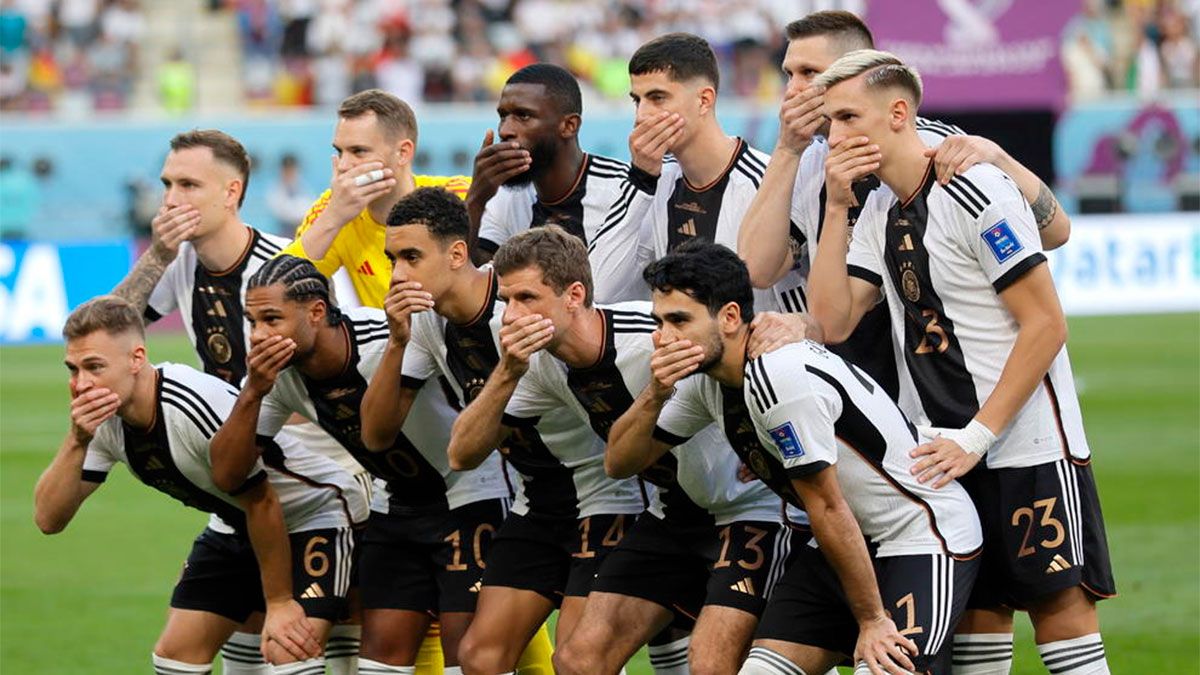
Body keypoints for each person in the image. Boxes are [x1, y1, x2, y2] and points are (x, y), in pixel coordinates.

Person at [807, 50, 1116, 675]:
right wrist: (835, 208)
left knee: (1059, 612)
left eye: (846, 117)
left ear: (898, 114)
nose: (834, 136)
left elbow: (1046, 324)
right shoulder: (874, 207)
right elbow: (831, 322)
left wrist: (979, 435)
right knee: (981, 617)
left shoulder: (972, 187)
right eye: (829, 121)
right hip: (943, 448)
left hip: (1026, 445)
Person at [611, 242, 982, 674]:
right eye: (658, 322)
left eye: (679, 320)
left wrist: (872, 620)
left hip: (918, 535)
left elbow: (826, 503)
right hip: (840, 545)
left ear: (730, 317)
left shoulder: (779, 376)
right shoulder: (707, 382)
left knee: (884, 668)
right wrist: (655, 394)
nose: (663, 337)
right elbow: (620, 462)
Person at [448, 225, 799, 675]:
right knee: (577, 660)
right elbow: (462, 454)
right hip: (671, 512)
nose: (511, 316)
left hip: (750, 512)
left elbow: (751, 356)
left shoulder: (653, 334)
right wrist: (507, 372)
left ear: (574, 295)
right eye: (506, 302)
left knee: (713, 664)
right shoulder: (536, 365)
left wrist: (798, 326)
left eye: (527, 299)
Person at [110, 128, 369, 673]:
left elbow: (341, 371)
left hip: (317, 482)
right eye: (167, 185)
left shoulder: (286, 267)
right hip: (243, 481)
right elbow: (104, 336)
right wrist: (157, 253)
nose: (172, 199)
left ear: (231, 193)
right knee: (222, 648)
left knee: (317, 645)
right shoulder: (178, 263)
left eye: (188, 184)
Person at [360, 189, 652, 673]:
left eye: (411, 257)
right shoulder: (431, 324)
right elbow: (376, 434)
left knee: (580, 660)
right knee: (479, 657)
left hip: (603, 493)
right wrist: (396, 341)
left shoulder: (525, 310)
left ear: (458, 254)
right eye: (393, 258)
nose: (397, 275)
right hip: (534, 500)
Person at [737, 10, 1072, 401]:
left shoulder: (932, 147)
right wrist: (786, 148)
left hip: (946, 383)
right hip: (856, 379)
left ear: (856, 71)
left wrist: (999, 158)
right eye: (788, 74)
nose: (793, 90)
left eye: (809, 73)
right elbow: (758, 269)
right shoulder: (809, 162)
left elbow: (1055, 231)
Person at [209, 255, 514, 675]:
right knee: (378, 664)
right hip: (394, 504)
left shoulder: (385, 338)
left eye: (271, 319)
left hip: (468, 494)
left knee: (469, 660)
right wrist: (253, 393)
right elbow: (226, 475)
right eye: (252, 321)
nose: (258, 335)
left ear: (316, 312)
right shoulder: (276, 377)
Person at [34, 295, 362, 675]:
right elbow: (48, 519)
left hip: (315, 512)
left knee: (288, 651)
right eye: (72, 369)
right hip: (235, 521)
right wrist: (76, 440)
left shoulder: (187, 405)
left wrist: (279, 602)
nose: (81, 384)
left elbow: (264, 501)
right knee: (175, 657)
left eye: (94, 367)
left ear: (137, 358)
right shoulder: (104, 420)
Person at [625, 32, 806, 316]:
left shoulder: (768, 181)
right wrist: (639, 181)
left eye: (657, 98)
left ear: (704, 100)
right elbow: (606, 289)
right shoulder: (653, 183)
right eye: (638, 101)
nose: (641, 116)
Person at [465, 63, 652, 303]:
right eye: (503, 116)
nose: (506, 130)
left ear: (569, 126)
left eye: (523, 116)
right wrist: (476, 199)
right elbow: (468, 283)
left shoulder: (623, 189)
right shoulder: (506, 196)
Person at [281, 89, 469, 309]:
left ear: (403, 153)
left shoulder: (461, 195)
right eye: (340, 152)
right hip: (388, 341)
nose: (343, 165)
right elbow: (275, 293)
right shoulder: (333, 209)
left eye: (358, 151)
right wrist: (334, 217)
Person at [267, 153, 315, 237]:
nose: (290, 173)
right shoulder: (274, 190)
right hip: (284, 233)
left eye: (292, 170)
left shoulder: (302, 186)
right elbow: (282, 213)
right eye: (287, 170)